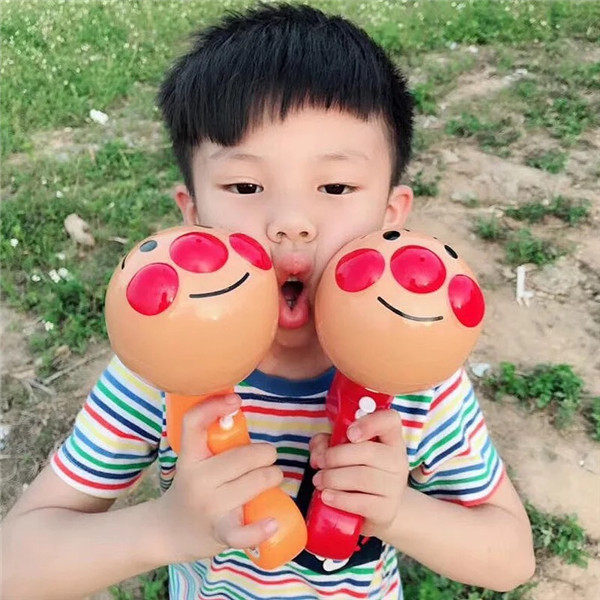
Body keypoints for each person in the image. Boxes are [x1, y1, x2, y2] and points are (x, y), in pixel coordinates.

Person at [1, 3, 535, 599]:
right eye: (245, 185)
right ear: (194, 218)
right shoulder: (159, 373)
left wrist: (399, 512)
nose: (291, 221)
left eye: (336, 186)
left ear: (391, 220)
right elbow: (16, 565)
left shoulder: (417, 377)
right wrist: (164, 529)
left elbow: (510, 558)